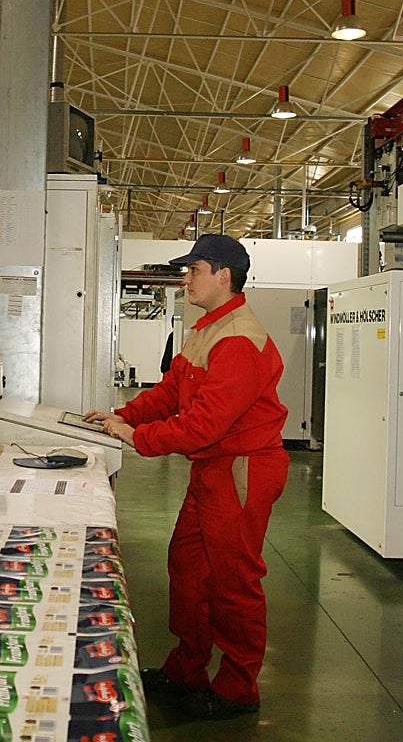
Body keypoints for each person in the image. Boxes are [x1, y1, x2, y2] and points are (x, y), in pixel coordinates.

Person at [85, 233, 289, 721]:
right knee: (189, 568)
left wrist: (137, 438)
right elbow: (173, 389)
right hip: (213, 466)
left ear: (224, 275)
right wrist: (121, 415)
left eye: (193, 269)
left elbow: (205, 423)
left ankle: (239, 688)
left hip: (241, 468)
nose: (186, 278)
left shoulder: (240, 339)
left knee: (234, 579)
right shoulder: (207, 328)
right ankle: (187, 669)